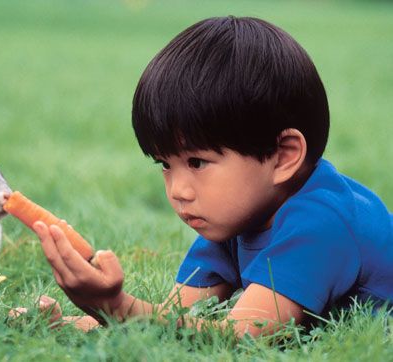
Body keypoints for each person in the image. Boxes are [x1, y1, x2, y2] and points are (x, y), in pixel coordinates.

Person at [27, 16, 393, 337]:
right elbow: (177, 318)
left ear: (283, 156)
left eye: (198, 163)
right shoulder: (231, 216)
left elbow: (244, 333)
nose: (178, 191)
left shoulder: (319, 223)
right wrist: (87, 319)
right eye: (165, 165)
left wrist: (116, 305)